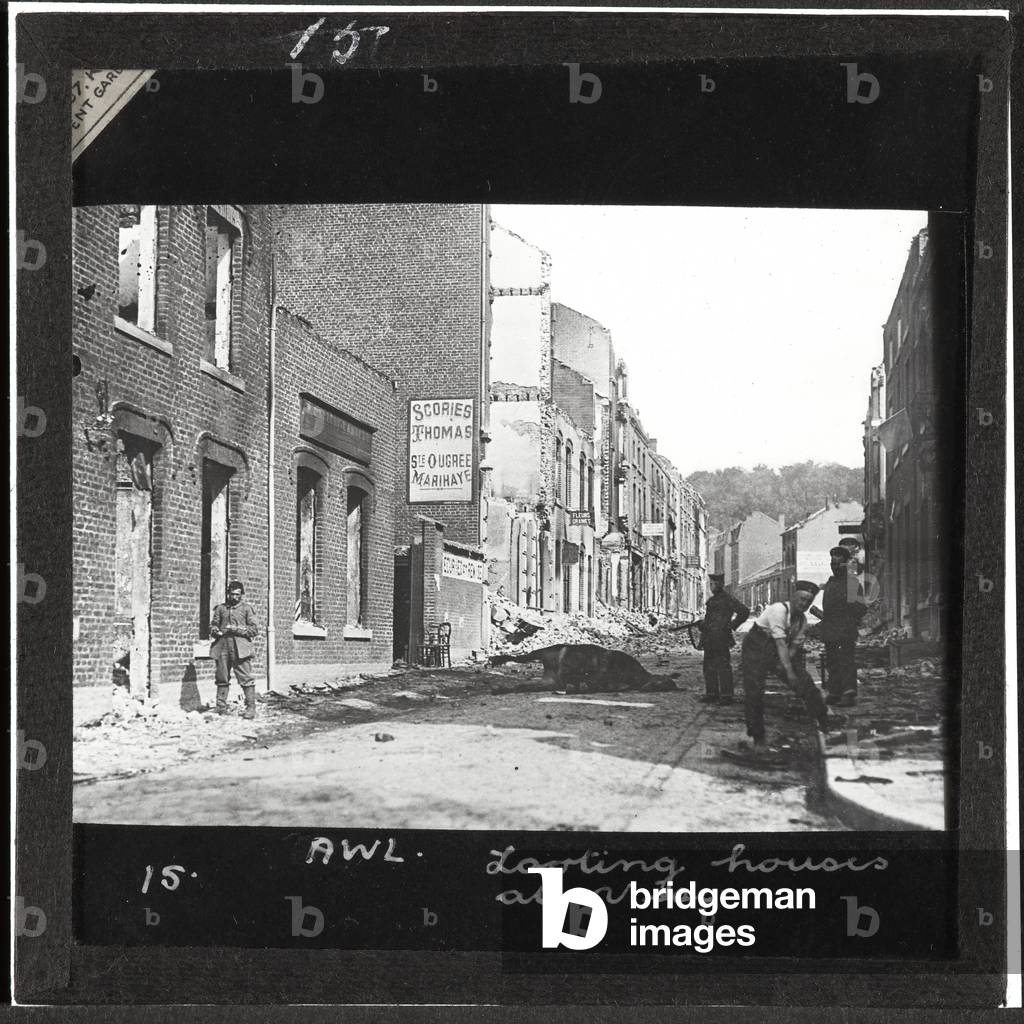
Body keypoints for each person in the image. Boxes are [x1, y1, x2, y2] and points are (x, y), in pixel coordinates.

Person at [739, 580, 830, 751]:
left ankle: (825, 722)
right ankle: (758, 738)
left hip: (778, 649)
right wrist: (788, 672)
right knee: (755, 691)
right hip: (757, 646)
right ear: (793, 596)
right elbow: (780, 644)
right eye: (801, 599)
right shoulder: (778, 610)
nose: (804, 604)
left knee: (805, 683)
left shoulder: (802, 621)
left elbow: (793, 649)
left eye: (808, 601)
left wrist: (790, 672)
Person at [809, 546, 867, 707]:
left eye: (838, 564)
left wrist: (848, 617)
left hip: (845, 630)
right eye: (832, 564)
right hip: (830, 630)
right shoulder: (831, 583)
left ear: (845, 564)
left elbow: (861, 608)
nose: (834, 567)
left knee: (846, 662)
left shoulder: (852, 583)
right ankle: (834, 692)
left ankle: (848, 694)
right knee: (832, 662)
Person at [696, 573, 750, 706]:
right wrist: (703, 625)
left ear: (720, 584)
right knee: (709, 666)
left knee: (723, 666)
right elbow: (710, 621)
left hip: (721, 637)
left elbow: (744, 611)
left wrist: (732, 625)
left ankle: (726, 696)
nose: (712, 587)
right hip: (710, 637)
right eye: (711, 584)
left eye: (713, 584)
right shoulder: (712, 601)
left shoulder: (728, 599)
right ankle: (712, 694)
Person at [210, 580, 260, 719]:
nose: (234, 597)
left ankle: (250, 708)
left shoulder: (246, 609)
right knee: (222, 677)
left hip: (240, 648)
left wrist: (236, 629)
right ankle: (221, 707)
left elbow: (254, 630)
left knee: (245, 678)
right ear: (228, 594)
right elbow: (213, 625)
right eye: (231, 594)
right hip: (223, 646)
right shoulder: (220, 609)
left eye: (237, 594)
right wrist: (215, 630)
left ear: (242, 595)